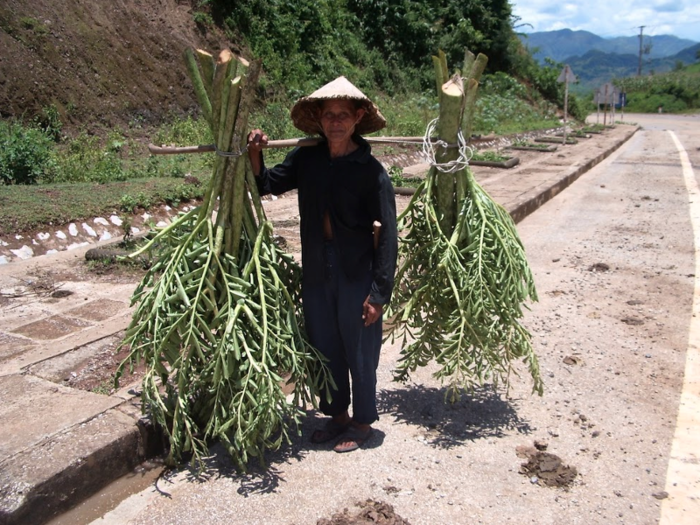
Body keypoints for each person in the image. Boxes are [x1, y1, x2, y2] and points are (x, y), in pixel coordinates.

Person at [247, 77, 398, 453]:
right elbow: (266, 183)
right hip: (316, 265)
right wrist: (255, 151)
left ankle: (362, 422)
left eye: (343, 115)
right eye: (328, 114)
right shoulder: (308, 158)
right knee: (325, 343)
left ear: (358, 117)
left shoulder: (371, 171)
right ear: (318, 117)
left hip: (355, 269)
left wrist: (379, 294)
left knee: (360, 347)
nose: (335, 122)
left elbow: (389, 238)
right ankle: (337, 415)